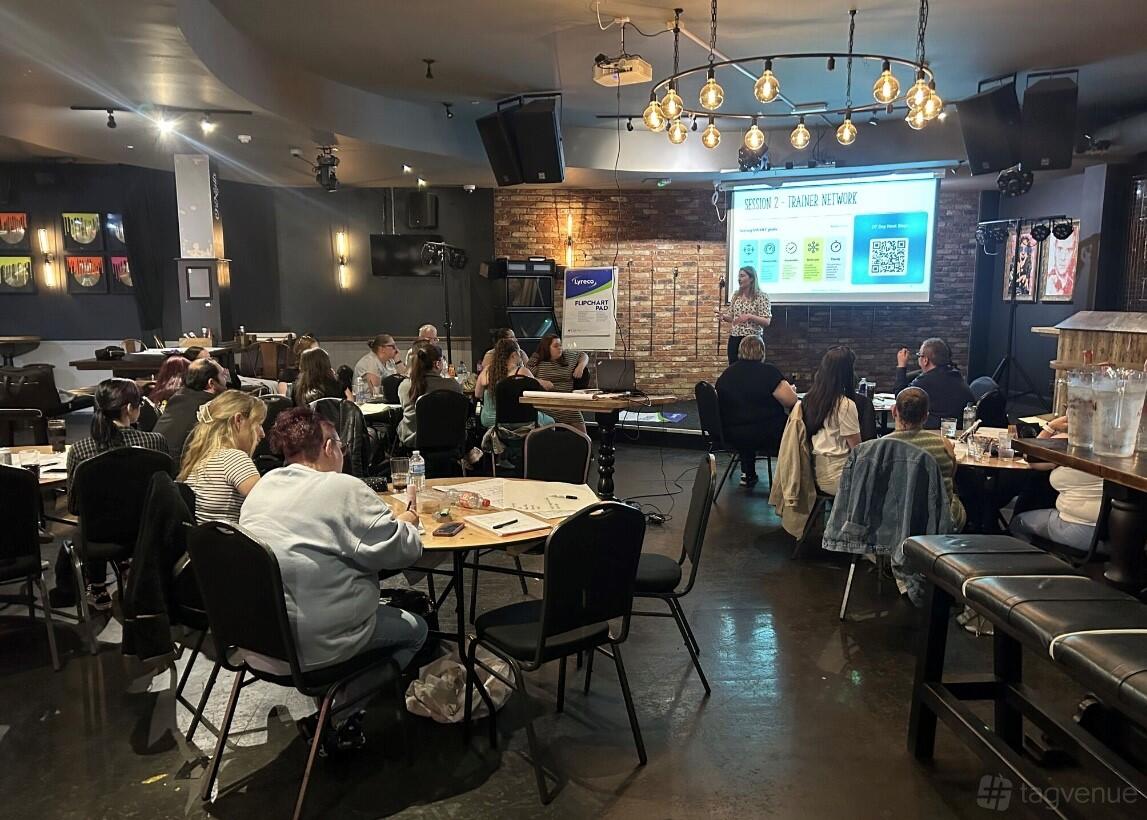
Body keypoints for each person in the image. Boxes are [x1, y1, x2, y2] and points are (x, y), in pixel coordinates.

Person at [239, 407, 425, 752]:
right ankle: (339, 712)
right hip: (315, 647)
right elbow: (401, 552)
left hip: (258, 642)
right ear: (328, 447)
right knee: (417, 631)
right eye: (339, 445)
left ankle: (333, 701)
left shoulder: (262, 488)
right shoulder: (340, 488)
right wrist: (409, 518)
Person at [66, 378, 170, 610]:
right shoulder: (155, 443)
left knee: (89, 518)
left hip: (98, 537)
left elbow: (75, 506)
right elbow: (165, 491)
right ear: (129, 409)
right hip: (146, 530)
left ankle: (98, 586)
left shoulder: (80, 449)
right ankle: (130, 566)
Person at [1009, 415, 1103, 553]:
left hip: (1078, 531)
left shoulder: (1068, 444)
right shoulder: (1117, 447)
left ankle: (1037, 567)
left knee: (1017, 523)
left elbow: (1031, 457)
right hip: (1120, 535)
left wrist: (1051, 426)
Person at [715, 336, 798, 487]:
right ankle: (792, 478)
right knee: (795, 426)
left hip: (731, 434)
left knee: (746, 423)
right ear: (762, 352)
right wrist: (791, 390)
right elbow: (791, 401)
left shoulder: (727, 374)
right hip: (767, 434)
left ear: (740, 351)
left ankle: (748, 473)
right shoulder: (769, 372)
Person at [885, 387, 967, 531]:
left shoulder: (881, 447)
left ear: (894, 412)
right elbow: (951, 478)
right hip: (940, 523)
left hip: (894, 521)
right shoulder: (944, 444)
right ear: (925, 416)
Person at [179, 390, 265, 524]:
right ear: (238, 420)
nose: (262, 433)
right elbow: (270, 506)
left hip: (207, 542)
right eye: (258, 424)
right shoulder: (234, 459)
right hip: (232, 542)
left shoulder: (198, 458)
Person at [803, 346, 862, 495]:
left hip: (813, 471)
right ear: (847, 373)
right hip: (837, 475)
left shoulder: (809, 399)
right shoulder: (845, 405)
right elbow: (857, 449)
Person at [153, 358, 227, 468]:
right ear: (211, 383)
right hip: (180, 472)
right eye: (222, 375)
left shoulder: (177, 398)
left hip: (156, 468)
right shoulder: (213, 406)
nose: (226, 379)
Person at [894, 338, 976, 429]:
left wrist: (901, 365)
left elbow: (901, 399)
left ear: (925, 360)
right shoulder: (955, 374)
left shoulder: (927, 380)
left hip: (935, 433)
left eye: (919, 355)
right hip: (960, 431)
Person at [475, 337, 553, 429]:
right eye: (519, 353)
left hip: (489, 419)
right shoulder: (521, 372)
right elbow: (537, 392)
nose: (521, 356)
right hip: (516, 418)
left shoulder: (487, 370)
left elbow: (477, 394)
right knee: (550, 421)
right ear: (513, 355)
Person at [397, 342, 464, 446]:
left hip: (414, 441)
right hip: (449, 440)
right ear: (437, 364)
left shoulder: (405, 386)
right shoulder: (453, 385)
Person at [526, 333, 589, 432]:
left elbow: (584, 355)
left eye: (560, 345)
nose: (559, 348)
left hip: (566, 400)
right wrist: (540, 381)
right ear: (547, 348)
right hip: (545, 402)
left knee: (574, 414)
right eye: (555, 346)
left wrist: (580, 366)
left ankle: (585, 445)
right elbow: (525, 376)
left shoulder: (567, 356)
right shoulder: (536, 360)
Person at [715, 266, 772, 365]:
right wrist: (723, 317)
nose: (739, 279)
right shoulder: (736, 295)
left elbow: (766, 321)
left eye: (742, 276)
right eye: (738, 276)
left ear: (751, 278)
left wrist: (750, 316)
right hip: (735, 337)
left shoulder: (762, 296)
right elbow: (732, 317)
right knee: (734, 368)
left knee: (753, 370)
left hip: (752, 340)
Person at [1043, 229, 1078, 298]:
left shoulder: (1074, 283)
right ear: (1055, 249)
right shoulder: (1048, 281)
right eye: (1059, 249)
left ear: (1074, 252)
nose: (1063, 257)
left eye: (1069, 250)